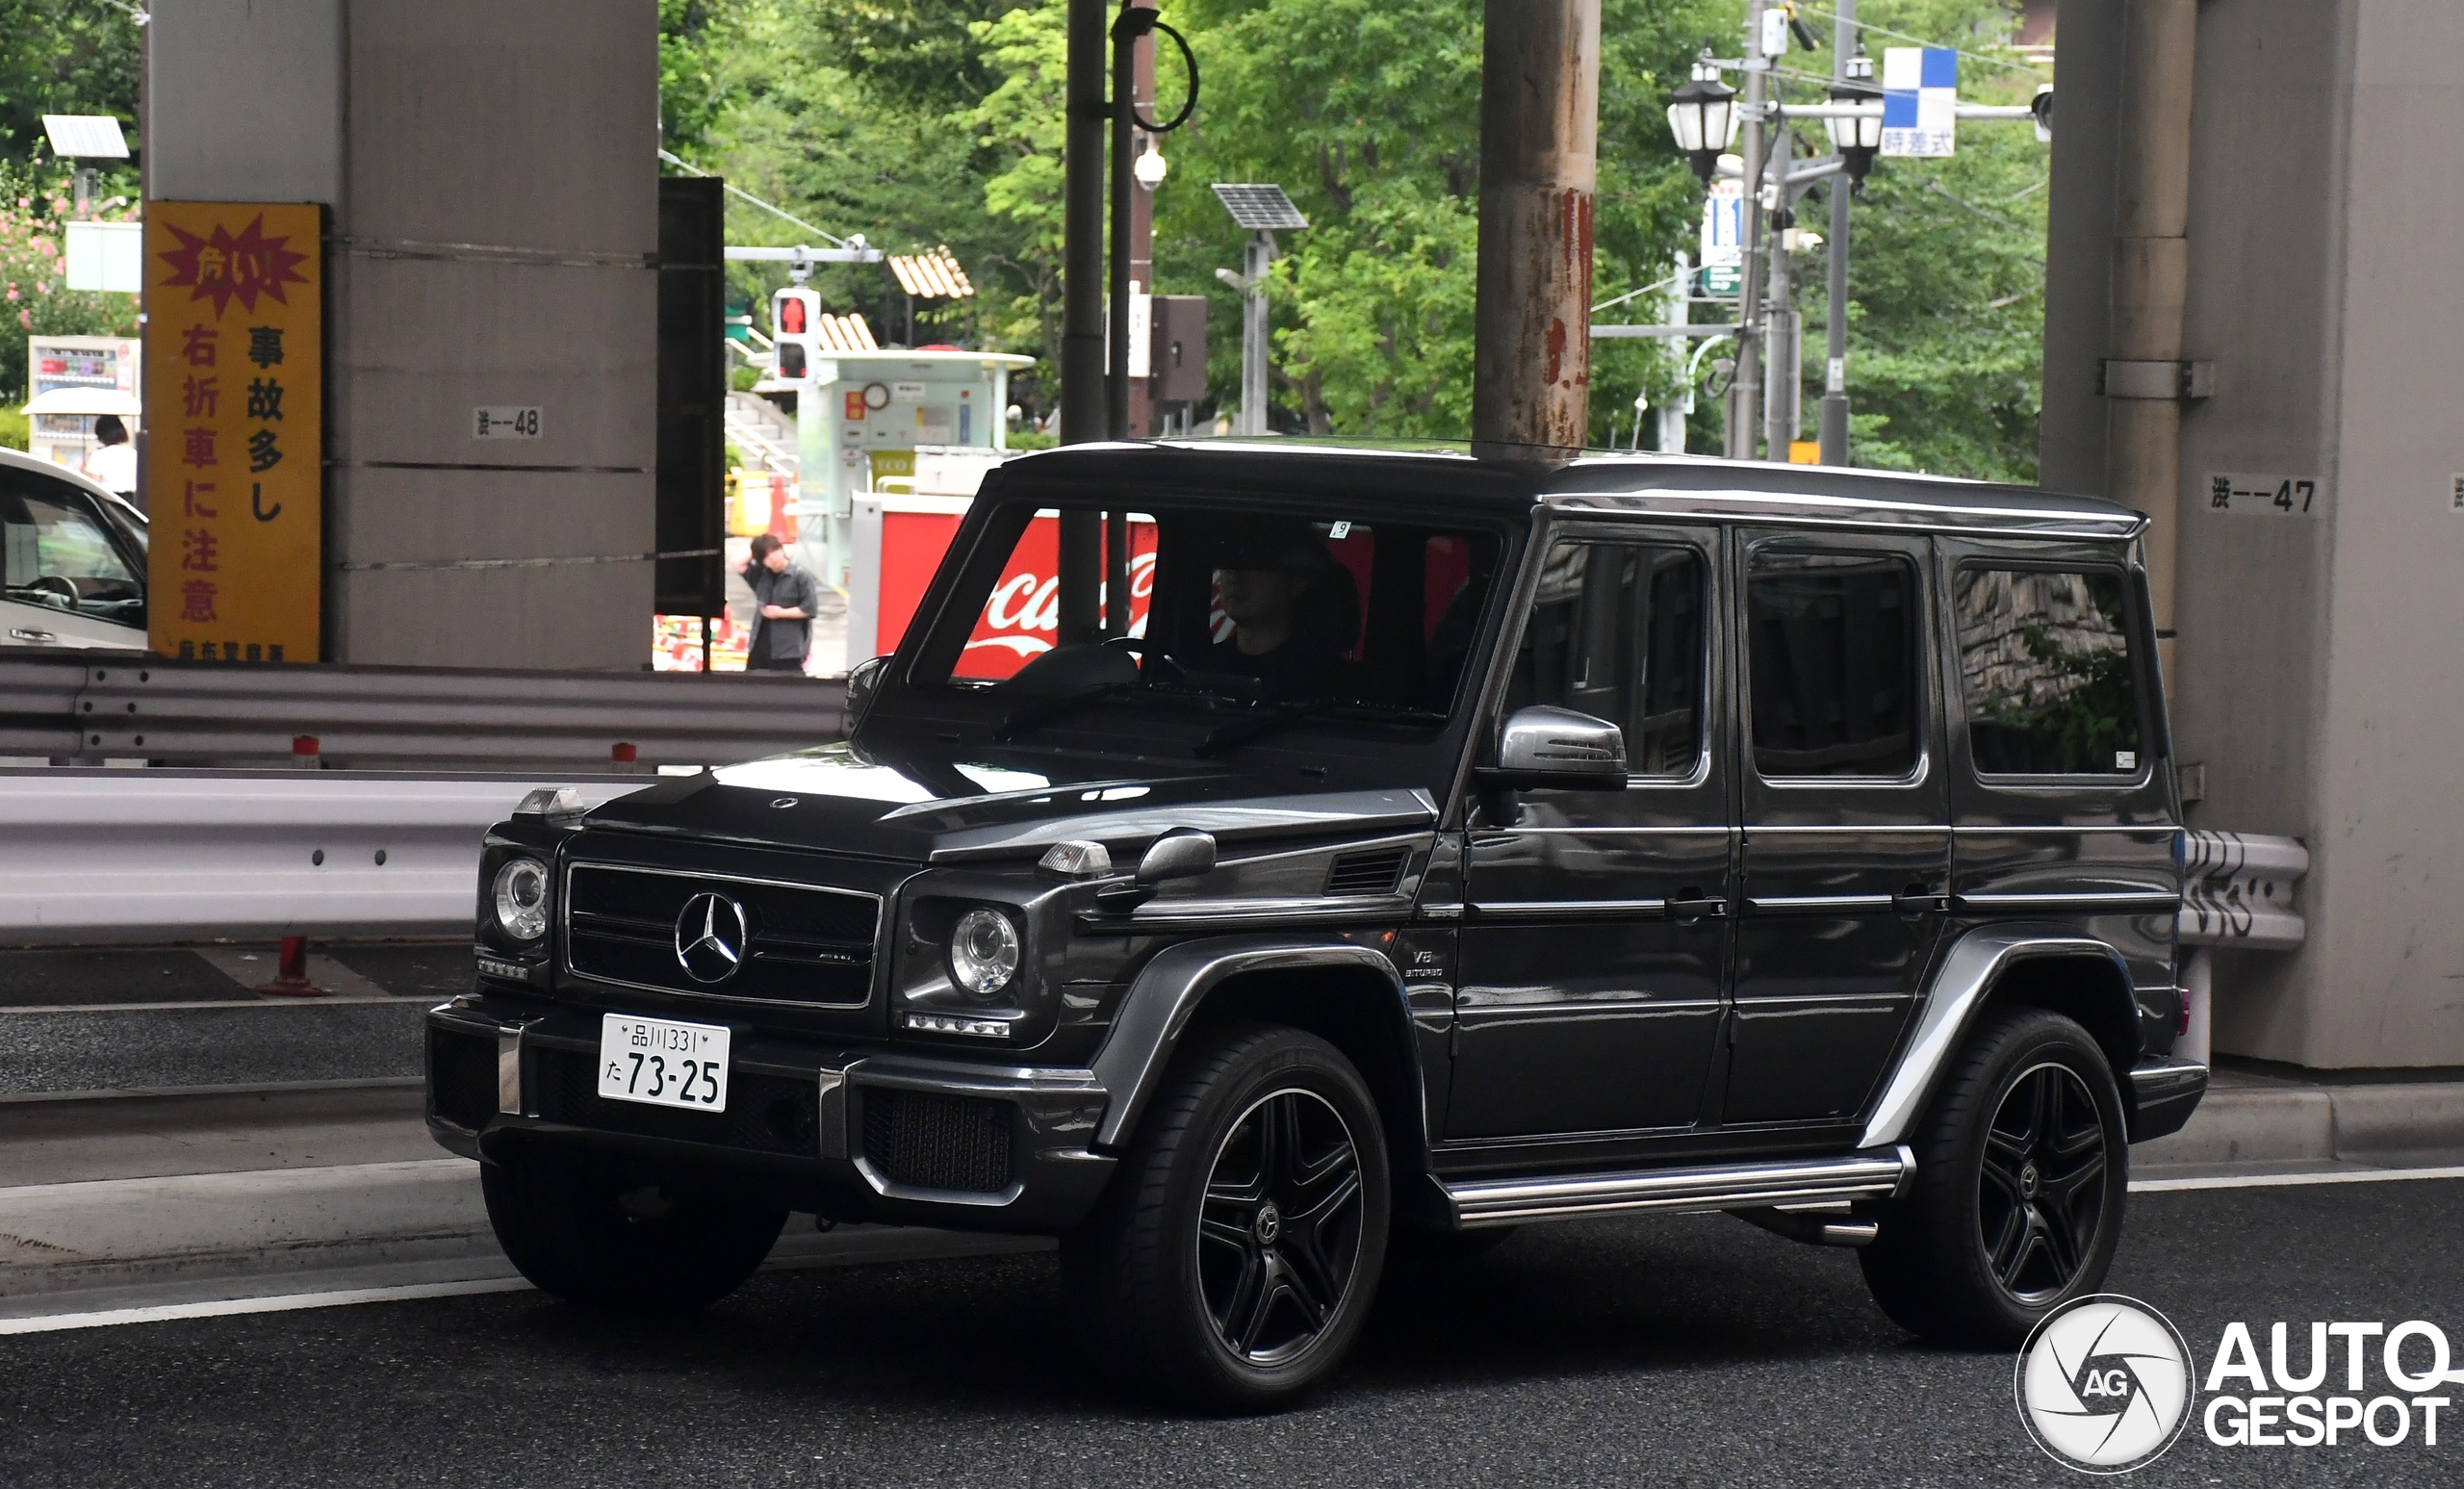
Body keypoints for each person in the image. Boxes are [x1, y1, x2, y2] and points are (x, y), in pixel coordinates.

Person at [1208, 526, 1355, 702]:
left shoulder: (1332, 685)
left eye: (1254, 562)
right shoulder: (1204, 668)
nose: (1232, 575)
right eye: (1227, 563)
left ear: (1297, 581)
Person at [742, 533, 821, 673]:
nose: (773, 558)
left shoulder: (800, 576)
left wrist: (780, 613)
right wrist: (757, 548)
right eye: (766, 556)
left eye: (775, 551)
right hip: (759, 647)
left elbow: (810, 608)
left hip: (788, 649)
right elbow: (737, 564)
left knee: (788, 689)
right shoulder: (761, 575)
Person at [82, 415, 138, 506]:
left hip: (108, 500)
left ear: (100, 433)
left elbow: (94, 485)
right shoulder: (133, 454)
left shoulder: (98, 455)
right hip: (133, 500)